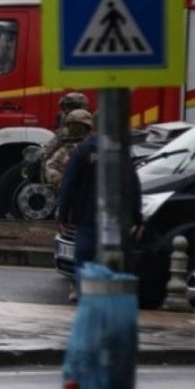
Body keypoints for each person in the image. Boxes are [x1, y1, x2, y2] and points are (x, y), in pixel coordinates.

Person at [58, 128, 141, 302]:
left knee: (83, 262)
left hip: (86, 218)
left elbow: (68, 185)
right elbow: (133, 188)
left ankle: (84, 298)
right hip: (114, 221)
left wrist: (63, 215)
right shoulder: (121, 153)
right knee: (111, 262)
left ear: (93, 128)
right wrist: (137, 217)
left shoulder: (81, 151)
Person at [44, 108, 93, 189]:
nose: (75, 128)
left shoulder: (93, 147)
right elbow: (50, 166)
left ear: (86, 127)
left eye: (78, 126)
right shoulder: (64, 149)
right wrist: (63, 182)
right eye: (72, 125)